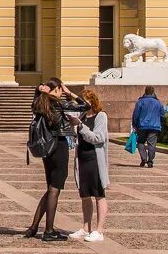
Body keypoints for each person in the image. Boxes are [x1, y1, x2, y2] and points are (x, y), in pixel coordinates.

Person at [24, 77, 90, 242]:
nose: (63, 92)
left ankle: (33, 227)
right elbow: (85, 106)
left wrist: (41, 91)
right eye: (61, 89)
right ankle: (49, 231)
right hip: (58, 146)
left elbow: (37, 98)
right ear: (57, 89)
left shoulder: (40, 103)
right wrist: (70, 93)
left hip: (47, 149)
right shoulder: (57, 104)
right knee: (55, 189)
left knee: (50, 189)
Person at [70, 88, 109, 243]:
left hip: (95, 160)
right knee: (85, 195)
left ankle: (99, 230)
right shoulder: (83, 116)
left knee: (99, 194)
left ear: (92, 102)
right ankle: (86, 228)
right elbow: (78, 137)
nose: (82, 105)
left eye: (84, 102)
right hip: (82, 159)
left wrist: (80, 126)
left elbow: (98, 138)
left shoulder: (101, 116)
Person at [131, 86, 166, 168]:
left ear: (145, 91)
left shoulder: (140, 102)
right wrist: (159, 123)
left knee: (140, 142)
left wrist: (134, 125)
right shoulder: (158, 102)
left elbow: (136, 115)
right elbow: (163, 115)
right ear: (153, 92)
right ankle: (150, 161)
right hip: (154, 127)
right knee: (152, 144)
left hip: (142, 126)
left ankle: (143, 158)